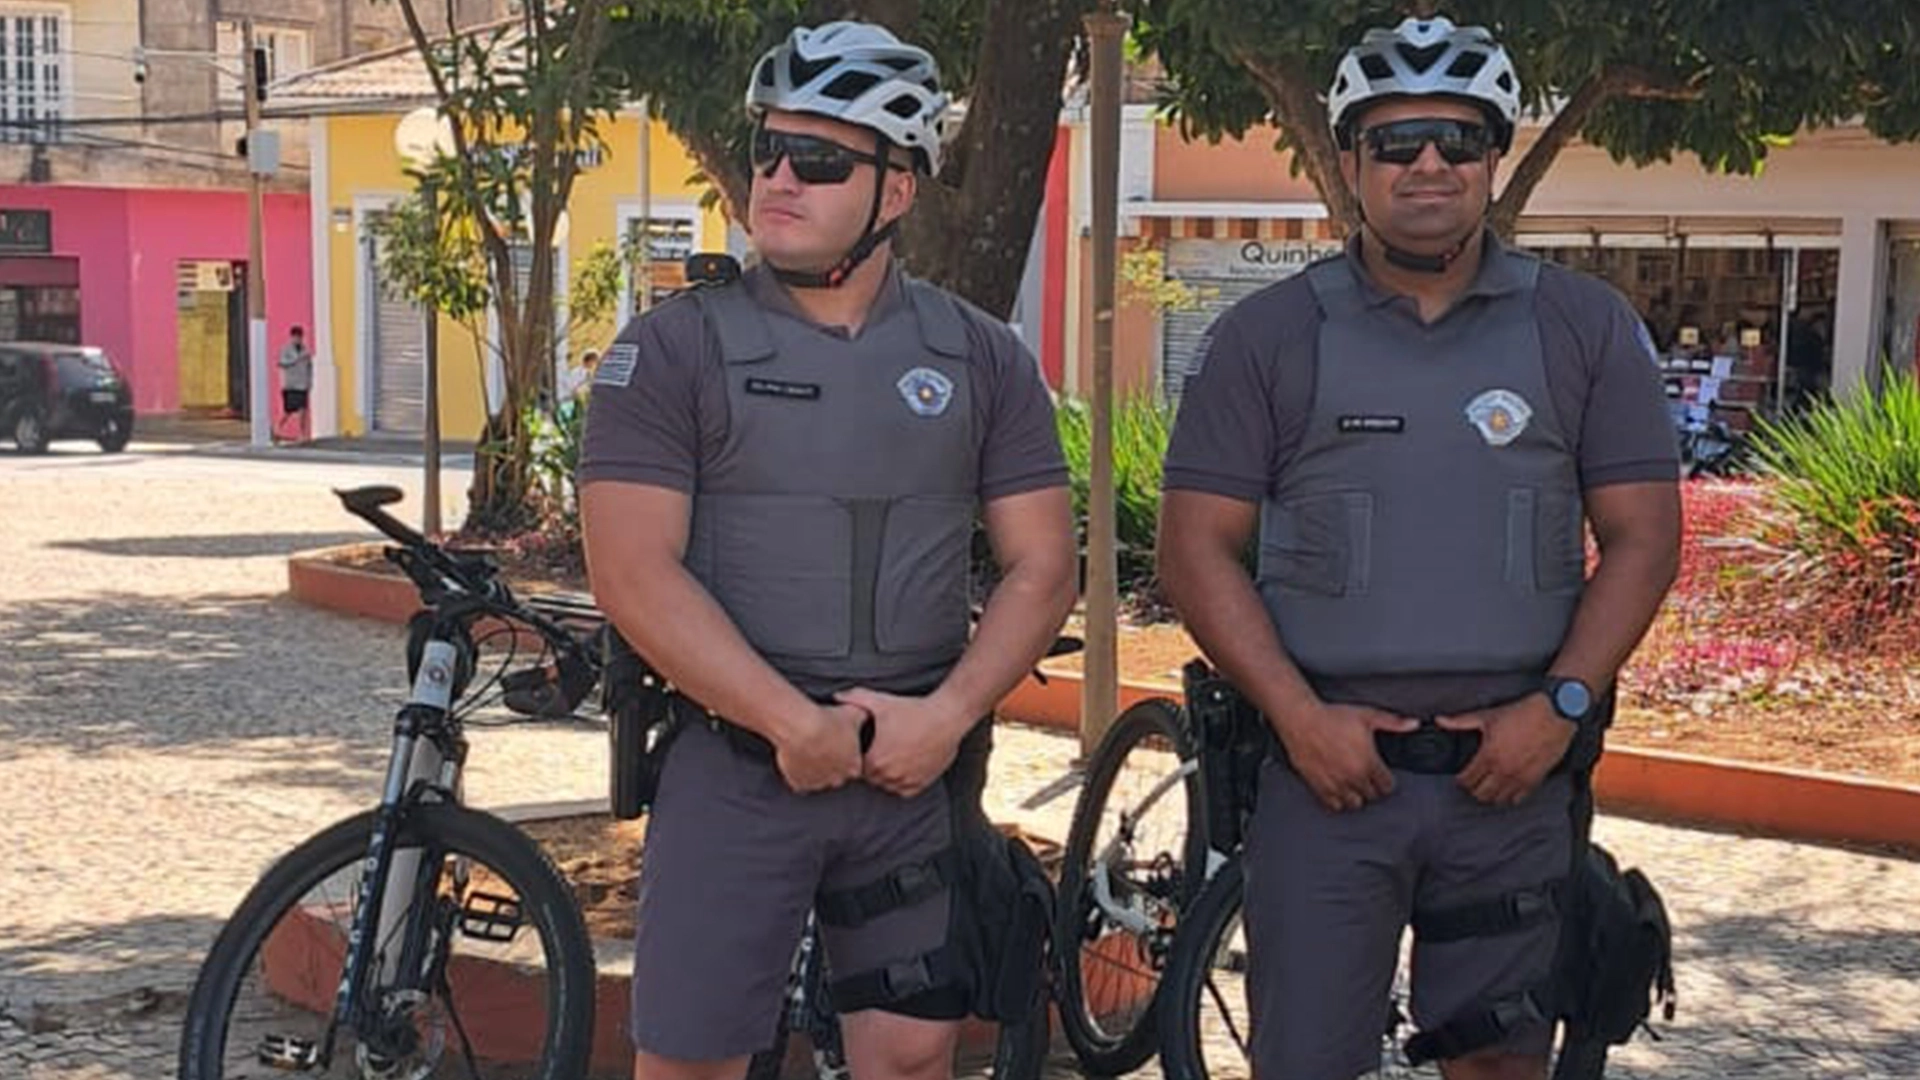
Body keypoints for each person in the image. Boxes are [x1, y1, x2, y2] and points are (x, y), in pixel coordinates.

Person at [1155, 16, 1682, 1080]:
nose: (1429, 162)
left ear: (1493, 159)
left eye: (1458, 139)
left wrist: (1560, 708)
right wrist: (1297, 718)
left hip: (1513, 778)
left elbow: (1643, 538)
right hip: (1326, 780)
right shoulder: (1267, 337)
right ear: (1351, 161)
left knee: (1499, 1066)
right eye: (1396, 141)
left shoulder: (1584, 328)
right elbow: (1194, 549)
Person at [577, 20, 1075, 1080]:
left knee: (913, 1058)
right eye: (769, 149)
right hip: (736, 767)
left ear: (897, 189)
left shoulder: (982, 356)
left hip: (910, 772)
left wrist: (947, 717)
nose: (780, 178)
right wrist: (787, 722)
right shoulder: (671, 348)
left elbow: (1043, 566)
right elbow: (630, 570)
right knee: (690, 1068)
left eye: (819, 159)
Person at [275, 325, 312, 443]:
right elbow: (282, 363)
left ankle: (302, 434)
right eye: (295, 337)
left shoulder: (305, 350)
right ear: (292, 337)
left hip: (302, 384)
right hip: (290, 384)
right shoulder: (286, 350)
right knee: (289, 410)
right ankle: (277, 427)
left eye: (300, 337)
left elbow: (309, 367)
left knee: (303, 410)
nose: (298, 339)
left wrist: (309, 382)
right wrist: (297, 359)